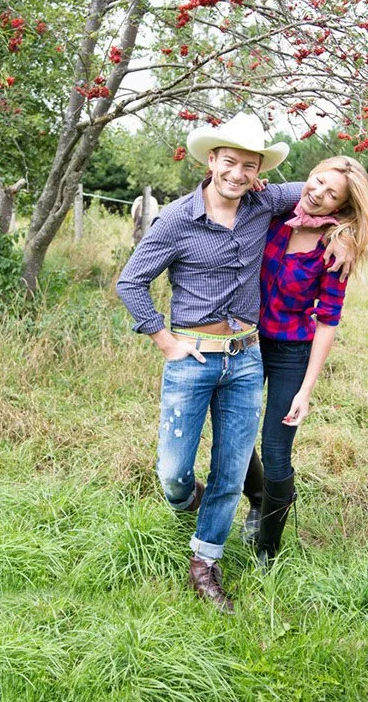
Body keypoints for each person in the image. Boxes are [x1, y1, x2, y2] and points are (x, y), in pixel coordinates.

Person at [115, 112, 313, 612]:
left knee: (230, 470)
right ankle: (190, 503)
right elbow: (130, 282)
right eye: (230, 162)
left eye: (250, 165)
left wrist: (347, 228)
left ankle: (205, 562)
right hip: (192, 359)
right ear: (210, 161)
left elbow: (321, 188)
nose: (238, 174)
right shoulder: (178, 220)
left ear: (258, 171)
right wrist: (164, 340)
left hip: (246, 359)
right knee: (173, 474)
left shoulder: (263, 202)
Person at [240, 157, 368, 566]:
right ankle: (261, 499)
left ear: (343, 207)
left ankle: (268, 547)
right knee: (236, 435)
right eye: (317, 182)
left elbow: (328, 320)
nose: (318, 194)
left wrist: (306, 389)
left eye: (331, 194)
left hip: (290, 353)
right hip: (245, 342)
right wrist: (255, 182)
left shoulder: (334, 248)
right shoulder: (275, 215)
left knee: (276, 449)